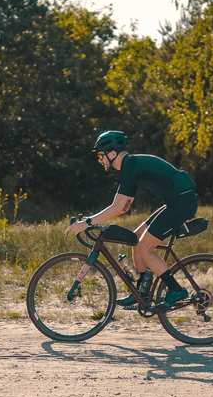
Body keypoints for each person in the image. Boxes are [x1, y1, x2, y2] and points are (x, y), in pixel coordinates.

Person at [65, 130, 198, 310]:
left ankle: (176, 290)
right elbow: (122, 205)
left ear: (112, 153)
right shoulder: (130, 166)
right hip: (177, 200)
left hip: (181, 202)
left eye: (101, 156)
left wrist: (87, 223)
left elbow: (118, 207)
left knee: (145, 248)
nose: (100, 160)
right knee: (136, 239)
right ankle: (142, 292)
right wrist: (94, 218)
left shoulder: (130, 165)